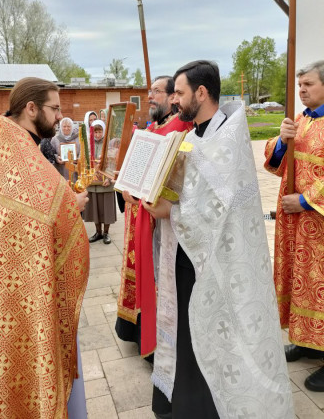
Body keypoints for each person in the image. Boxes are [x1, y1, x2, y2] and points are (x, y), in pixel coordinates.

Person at [142, 61, 293, 419]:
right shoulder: (190, 139)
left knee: (222, 337)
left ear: (201, 92)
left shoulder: (229, 137)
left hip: (223, 261)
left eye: (179, 93)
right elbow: (181, 194)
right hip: (187, 254)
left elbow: (219, 207)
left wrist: (169, 210)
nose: (174, 101)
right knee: (190, 336)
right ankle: (188, 406)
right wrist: (151, 195)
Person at [0, 77, 89, 419]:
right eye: (55, 108)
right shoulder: (19, 151)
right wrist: (73, 205)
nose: (59, 116)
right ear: (31, 108)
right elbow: (47, 208)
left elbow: (40, 205)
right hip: (28, 289)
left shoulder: (18, 146)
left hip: (29, 283)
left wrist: (65, 201)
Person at [115, 76, 193, 360]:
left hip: (158, 219)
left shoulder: (180, 127)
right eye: (149, 91)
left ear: (173, 97)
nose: (150, 97)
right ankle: (136, 331)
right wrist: (124, 186)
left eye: (156, 92)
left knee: (158, 277)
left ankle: (157, 340)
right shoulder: (151, 128)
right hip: (137, 215)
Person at [264, 60, 324, 392]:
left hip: (317, 222)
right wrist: (283, 142)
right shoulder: (300, 121)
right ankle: (307, 342)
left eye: (309, 84)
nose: (301, 90)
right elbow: (275, 163)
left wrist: (303, 201)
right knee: (299, 281)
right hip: (294, 225)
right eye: (299, 85)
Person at [83, 119, 116, 244]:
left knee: (106, 209)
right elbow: (85, 162)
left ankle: (106, 233)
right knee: (95, 208)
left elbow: (113, 163)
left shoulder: (109, 145)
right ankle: (98, 232)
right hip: (93, 183)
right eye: (95, 132)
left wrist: (109, 178)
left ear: (104, 131)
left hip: (105, 182)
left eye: (100, 132)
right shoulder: (87, 144)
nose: (97, 135)